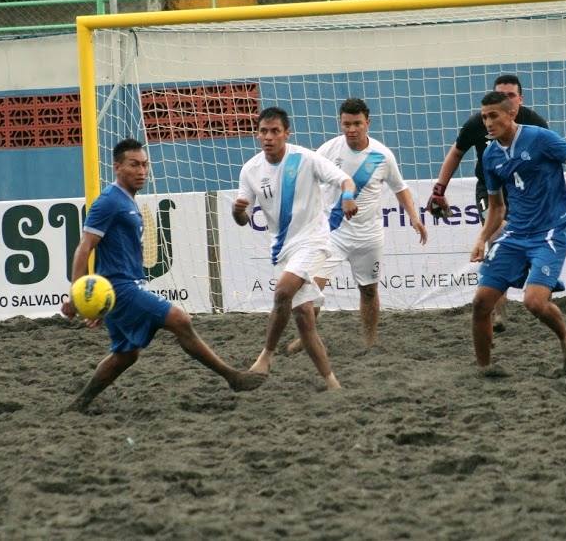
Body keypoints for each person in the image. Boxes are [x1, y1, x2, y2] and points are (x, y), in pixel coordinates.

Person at [61, 138, 265, 412]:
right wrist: (77, 294)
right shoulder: (108, 201)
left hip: (118, 290)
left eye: (145, 165)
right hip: (122, 288)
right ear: (117, 167)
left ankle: (79, 404)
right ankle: (233, 377)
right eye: (134, 165)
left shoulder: (126, 201)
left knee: (125, 355)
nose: (142, 171)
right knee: (180, 319)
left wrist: (101, 303)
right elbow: (84, 247)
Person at [469, 91, 566, 377]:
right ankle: (485, 370)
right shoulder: (489, 156)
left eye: (493, 116)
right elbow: (497, 207)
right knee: (480, 303)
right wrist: (481, 237)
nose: (487, 122)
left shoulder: (540, 138)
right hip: (514, 234)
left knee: (534, 302)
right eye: (484, 117)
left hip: (549, 232)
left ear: (511, 113)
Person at [287, 98, 427, 353]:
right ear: (340, 123)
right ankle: (307, 338)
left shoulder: (382, 155)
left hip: (368, 237)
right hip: (332, 234)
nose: (351, 129)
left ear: (367, 123)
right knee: (311, 287)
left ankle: (370, 341)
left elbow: (400, 188)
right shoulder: (328, 150)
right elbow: (307, 182)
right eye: (346, 124)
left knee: (370, 291)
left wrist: (414, 217)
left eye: (357, 124)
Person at [232, 106, 357, 390]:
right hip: (282, 249)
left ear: (287, 133)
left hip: (314, 240)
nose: (269, 137)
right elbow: (243, 219)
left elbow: (344, 180)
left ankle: (265, 356)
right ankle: (332, 382)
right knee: (303, 317)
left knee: (283, 292)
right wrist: (238, 212)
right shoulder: (250, 170)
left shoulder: (306, 159)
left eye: (275, 131)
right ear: (257, 134)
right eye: (263, 131)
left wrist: (348, 197)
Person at [428, 74, 549, 328]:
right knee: (498, 237)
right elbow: (456, 152)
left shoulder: (535, 124)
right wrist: (439, 190)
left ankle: (535, 294)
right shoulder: (479, 123)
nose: (505, 100)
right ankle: (498, 312)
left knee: (526, 242)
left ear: (520, 99)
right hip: (491, 190)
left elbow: (553, 159)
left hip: (524, 190)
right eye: (500, 95)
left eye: (510, 96)